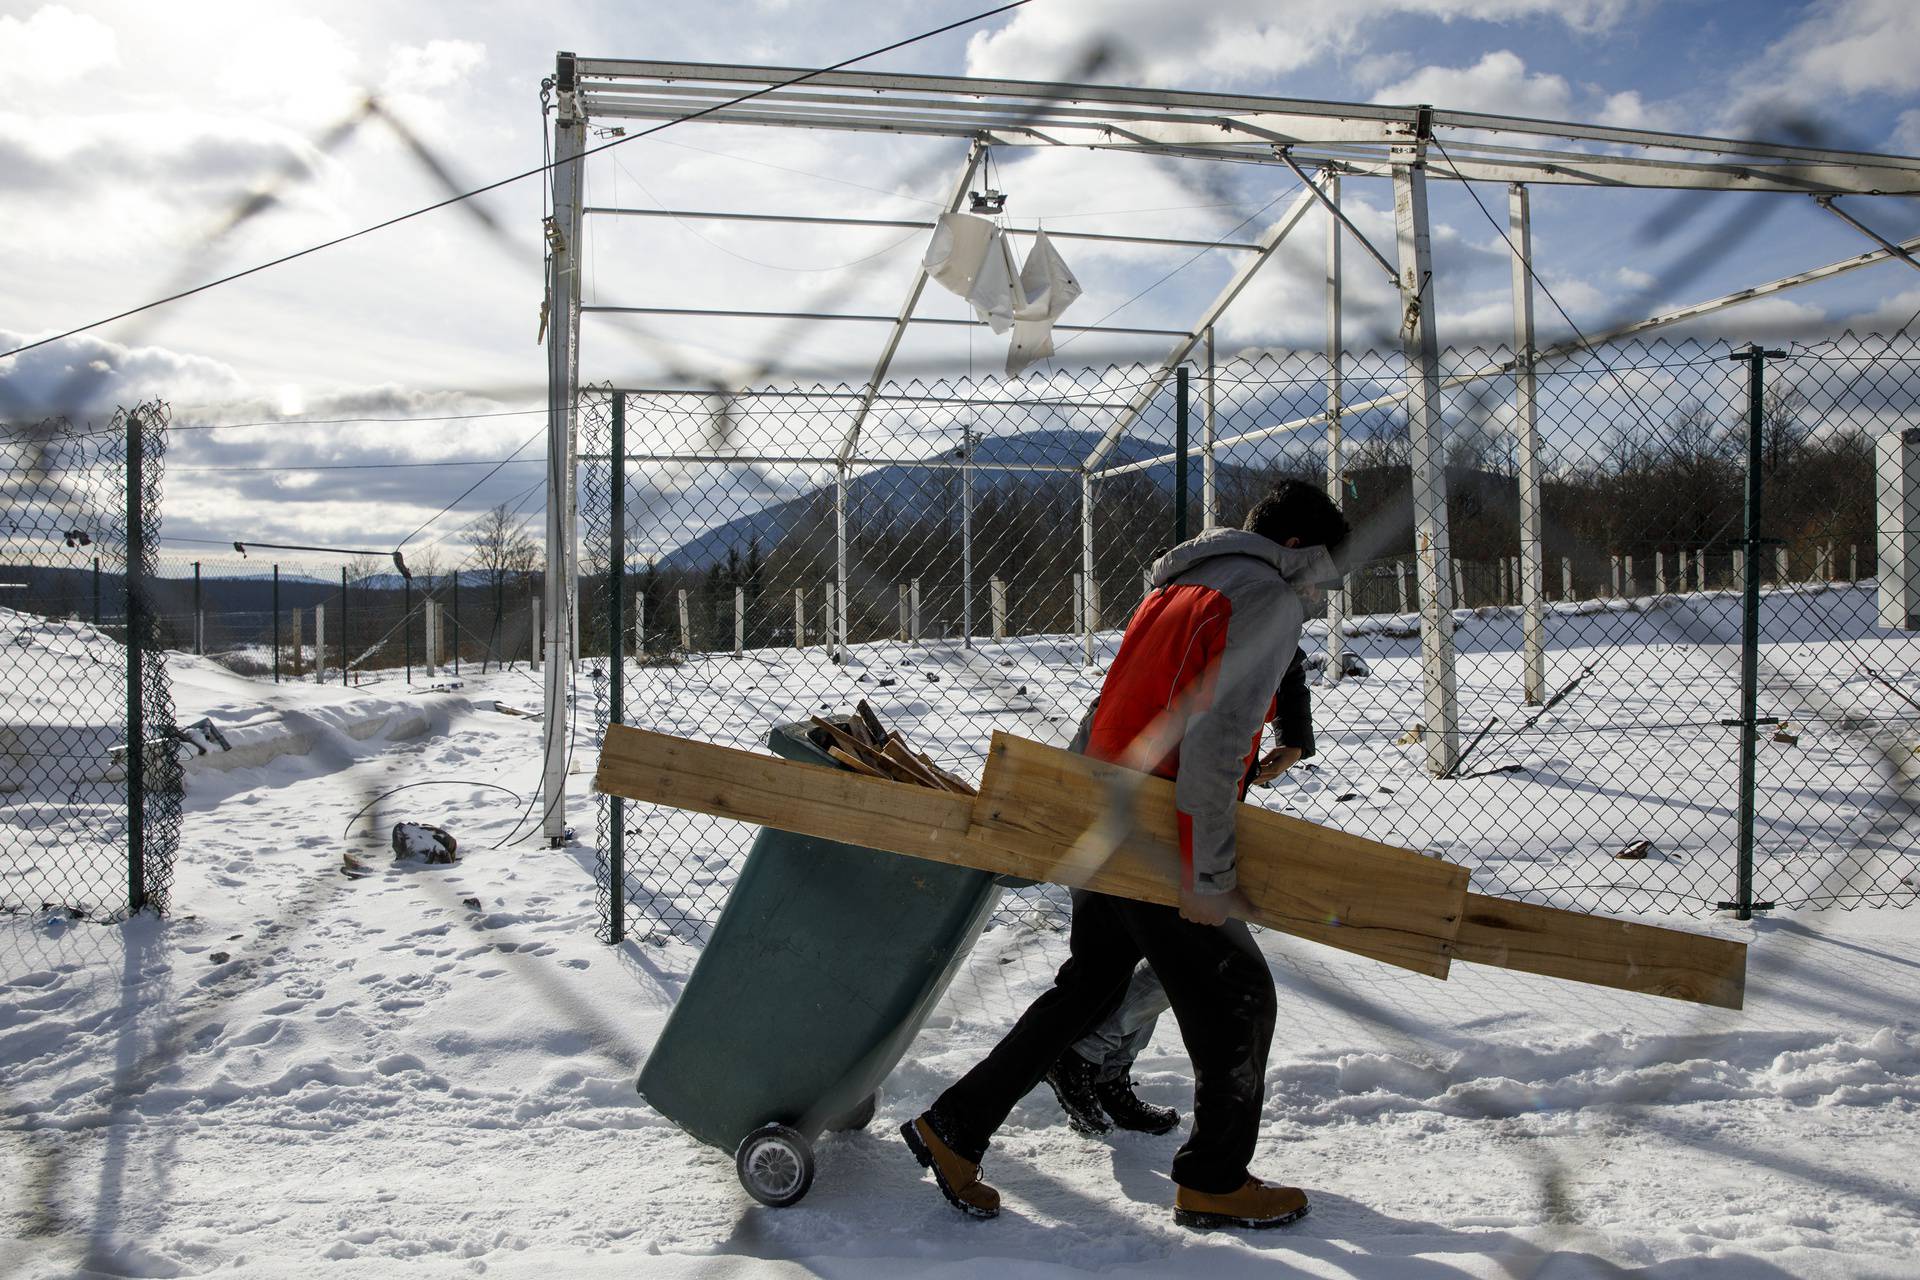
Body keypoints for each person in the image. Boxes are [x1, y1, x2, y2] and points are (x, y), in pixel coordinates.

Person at [902, 480, 1349, 1230]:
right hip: (1161, 828)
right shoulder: (1267, 597)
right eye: (1325, 574)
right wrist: (1205, 874)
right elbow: (1215, 740)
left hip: (1109, 803)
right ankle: (1213, 1179)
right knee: (1238, 997)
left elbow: (1113, 702)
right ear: (1297, 549)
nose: (1323, 594)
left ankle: (955, 1126)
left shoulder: (1184, 582)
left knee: (1089, 985)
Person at [1043, 646, 1317, 1139]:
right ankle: (1086, 1054)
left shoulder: (1266, 595)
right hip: (1136, 788)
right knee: (1186, 951)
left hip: (1183, 793)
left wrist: (1293, 734)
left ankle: (1104, 1067)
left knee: (1173, 946)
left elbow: (1286, 657)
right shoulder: (1220, 596)